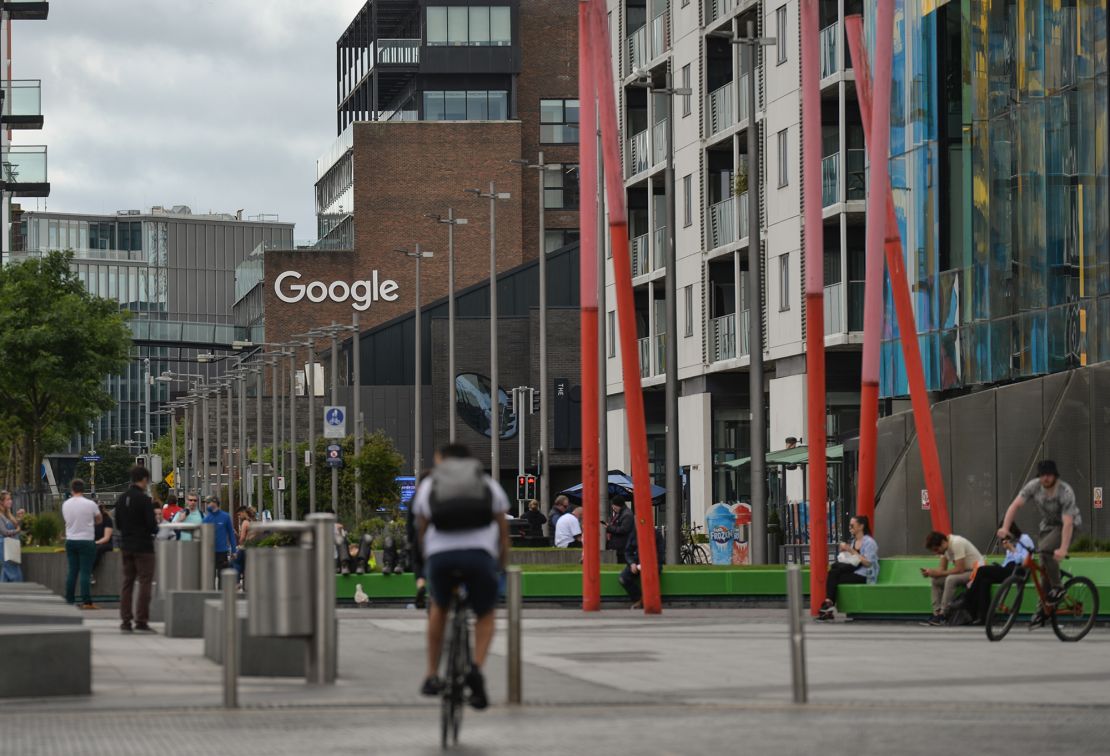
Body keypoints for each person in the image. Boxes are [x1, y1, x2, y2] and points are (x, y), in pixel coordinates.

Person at [413, 443, 509, 710]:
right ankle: (476, 668)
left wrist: (425, 560)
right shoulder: (487, 483)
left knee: (440, 606)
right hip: (479, 556)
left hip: (442, 558)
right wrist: (499, 563)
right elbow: (502, 530)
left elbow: (421, 528)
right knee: (485, 613)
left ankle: (431, 674)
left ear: (440, 459)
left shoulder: (430, 485)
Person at [997, 459, 1080, 628]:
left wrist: (1063, 549)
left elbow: (1068, 522)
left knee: (1045, 550)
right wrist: (1005, 528)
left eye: (1049, 475)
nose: (1046, 479)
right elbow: (1014, 506)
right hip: (1047, 528)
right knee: (1043, 570)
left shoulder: (1065, 492)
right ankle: (1043, 611)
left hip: (1068, 526)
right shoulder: (1033, 486)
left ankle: (1058, 587)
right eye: (1043, 475)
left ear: (1055, 476)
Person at [963, 523, 1035, 623]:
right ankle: (984, 617)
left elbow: (1026, 560)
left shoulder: (1024, 539)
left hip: (1019, 570)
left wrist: (1012, 549)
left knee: (981, 570)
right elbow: (1007, 562)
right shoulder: (1010, 540)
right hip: (1008, 569)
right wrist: (999, 567)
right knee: (985, 580)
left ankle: (967, 600)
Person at [115, 465, 157, 633]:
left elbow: (117, 523)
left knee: (127, 582)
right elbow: (152, 526)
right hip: (144, 547)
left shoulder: (121, 499)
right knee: (145, 582)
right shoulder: (145, 500)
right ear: (144, 479)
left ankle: (126, 620)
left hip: (126, 546)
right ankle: (141, 620)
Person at [817, 515, 879, 621]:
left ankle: (828, 605)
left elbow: (868, 563)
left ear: (861, 526)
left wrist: (851, 550)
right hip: (855, 571)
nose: (850, 528)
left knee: (833, 578)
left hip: (866, 575)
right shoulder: (854, 541)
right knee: (833, 572)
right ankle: (828, 605)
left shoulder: (869, 542)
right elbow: (854, 560)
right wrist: (845, 553)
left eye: (852, 525)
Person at [921, 530, 983, 626]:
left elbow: (959, 569)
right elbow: (942, 568)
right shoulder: (944, 548)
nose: (936, 553)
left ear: (943, 542)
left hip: (975, 572)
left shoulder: (957, 543)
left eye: (937, 549)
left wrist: (938, 573)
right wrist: (932, 572)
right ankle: (936, 613)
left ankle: (944, 614)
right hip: (965, 571)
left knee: (951, 579)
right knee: (935, 580)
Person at [61, 479, 102, 609]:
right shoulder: (90, 504)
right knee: (85, 571)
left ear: (72, 489)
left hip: (71, 540)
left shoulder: (66, 504)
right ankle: (87, 601)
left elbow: (66, 520)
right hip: (86, 540)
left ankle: (69, 600)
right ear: (83, 489)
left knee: (72, 571)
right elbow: (99, 519)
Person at [619, 525, 664, 609]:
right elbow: (628, 551)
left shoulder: (656, 534)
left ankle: (646, 600)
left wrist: (648, 564)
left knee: (649, 575)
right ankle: (639, 598)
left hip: (652, 564)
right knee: (623, 578)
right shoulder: (634, 533)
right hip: (636, 563)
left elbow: (660, 554)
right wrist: (632, 563)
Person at [203, 498, 237, 580]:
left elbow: (231, 534)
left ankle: (223, 592)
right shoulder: (206, 519)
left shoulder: (225, 517)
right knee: (210, 577)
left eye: (208, 502)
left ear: (215, 503)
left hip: (222, 552)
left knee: (222, 576)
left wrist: (234, 550)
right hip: (209, 552)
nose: (207, 505)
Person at [0, 490, 23, 583]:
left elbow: (16, 524)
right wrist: (17, 530)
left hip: (10, 546)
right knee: (14, 571)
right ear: (1, 502)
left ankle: (3, 593)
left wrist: (19, 518)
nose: (10, 501)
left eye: (10, 499)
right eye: (8, 499)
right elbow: (4, 532)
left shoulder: (7, 514)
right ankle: (18, 591)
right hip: (4, 547)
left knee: (6, 571)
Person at [90, 501, 114, 585]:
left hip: (106, 544)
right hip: (94, 542)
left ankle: (89, 571)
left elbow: (106, 538)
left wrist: (95, 542)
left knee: (98, 549)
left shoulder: (107, 519)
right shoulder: (91, 520)